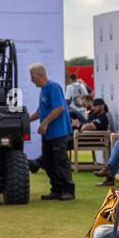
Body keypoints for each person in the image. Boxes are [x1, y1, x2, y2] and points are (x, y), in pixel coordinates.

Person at [28, 63, 74, 200]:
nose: (31, 80)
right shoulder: (43, 90)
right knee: (48, 162)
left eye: (32, 77)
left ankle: (68, 190)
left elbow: (59, 108)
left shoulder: (53, 87)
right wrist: (26, 120)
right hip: (48, 134)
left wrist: (45, 122)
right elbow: (40, 111)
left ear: (40, 75)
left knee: (60, 161)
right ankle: (56, 189)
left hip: (59, 133)